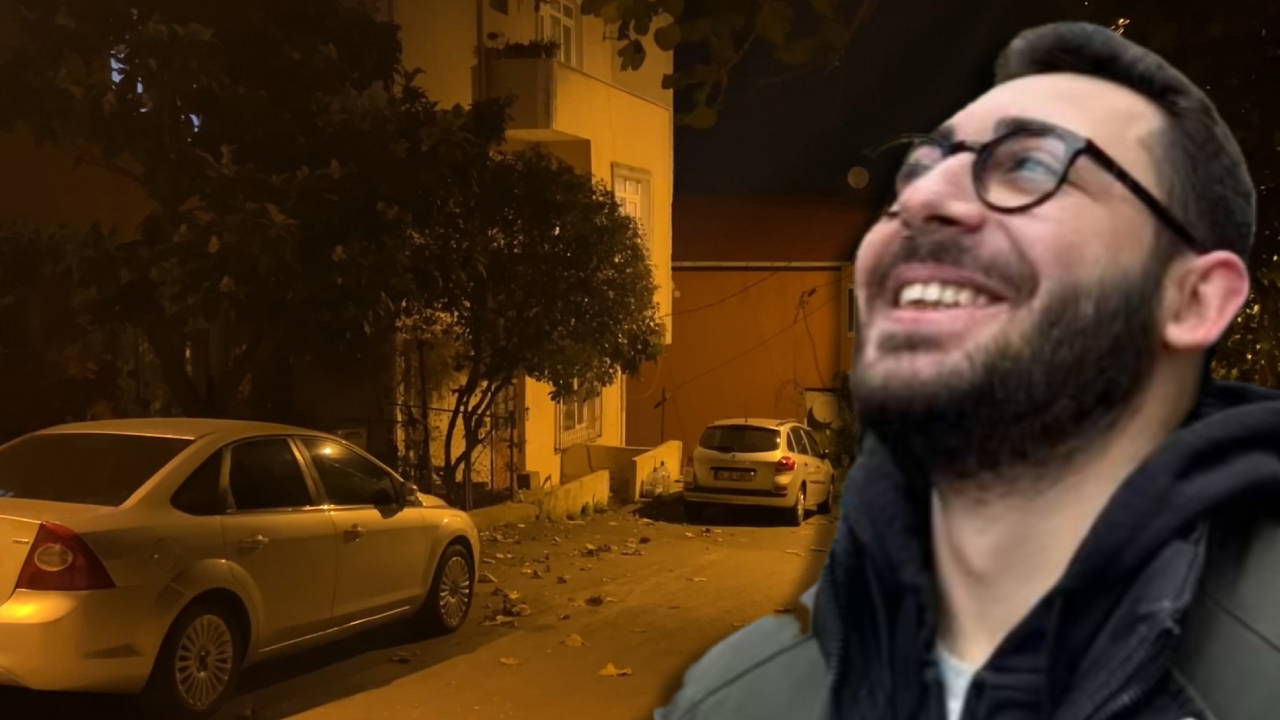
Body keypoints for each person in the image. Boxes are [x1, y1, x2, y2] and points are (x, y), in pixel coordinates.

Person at [657, 21, 1280, 720]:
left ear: (1193, 298)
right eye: (917, 171)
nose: (919, 199)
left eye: (1031, 166)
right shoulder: (730, 700)